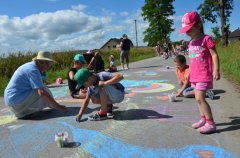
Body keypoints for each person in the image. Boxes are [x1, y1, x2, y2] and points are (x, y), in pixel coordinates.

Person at [179, 11, 220, 134]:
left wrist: (216, 69)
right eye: (185, 30)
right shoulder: (191, 42)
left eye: (189, 29)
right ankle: (203, 119)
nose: (187, 32)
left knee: (200, 98)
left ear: (198, 25)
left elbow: (214, 54)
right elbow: (192, 59)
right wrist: (190, 73)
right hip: (195, 76)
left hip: (204, 75)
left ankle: (210, 123)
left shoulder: (206, 39)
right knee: (198, 100)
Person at [4, 51, 68, 119]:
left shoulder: (32, 66)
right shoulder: (33, 70)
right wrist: (58, 106)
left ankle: (23, 111)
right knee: (44, 91)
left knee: (43, 90)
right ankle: (22, 113)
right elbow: (41, 92)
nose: (49, 66)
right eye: (48, 64)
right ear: (42, 62)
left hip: (13, 99)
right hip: (15, 101)